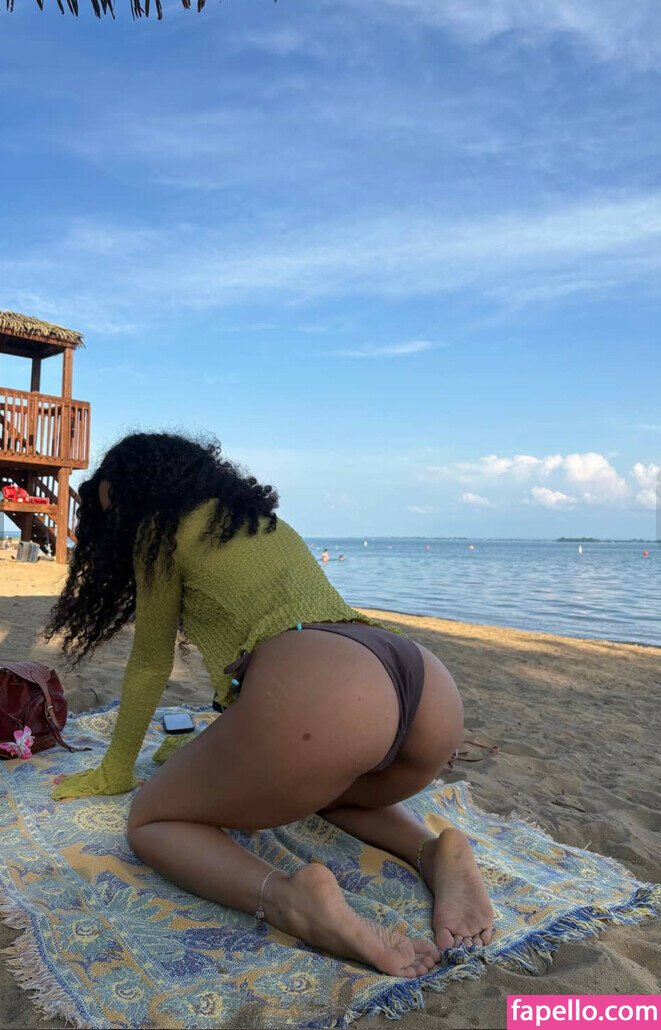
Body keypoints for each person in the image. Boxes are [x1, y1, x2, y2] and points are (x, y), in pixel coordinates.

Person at [45, 432, 493, 977]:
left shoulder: (159, 533)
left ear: (144, 494)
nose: (114, 521)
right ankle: (433, 852)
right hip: (421, 684)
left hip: (327, 696)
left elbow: (149, 663)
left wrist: (115, 771)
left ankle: (290, 900)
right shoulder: (258, 520)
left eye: (115, 505)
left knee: (151, 819)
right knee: (322, 787)